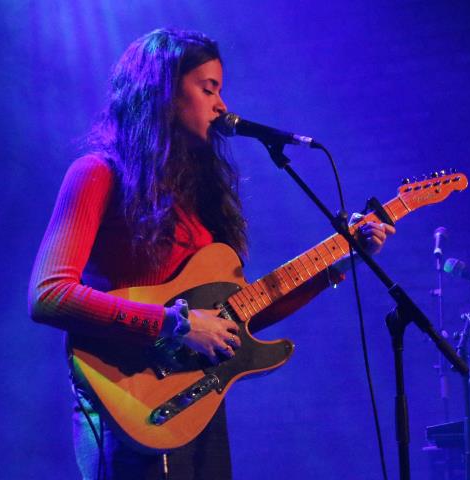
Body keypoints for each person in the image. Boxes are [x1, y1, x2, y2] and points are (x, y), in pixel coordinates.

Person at [28, 28, 394, 480]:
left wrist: (336, 266)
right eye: (208, 89)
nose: (221, 105)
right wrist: (174, 325)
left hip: (197, 407)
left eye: (220, 90)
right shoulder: (98, 173)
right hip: (128, 407)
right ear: (161, 91)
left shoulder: (197, 202)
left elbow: (237, 319)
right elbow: (49, 294)